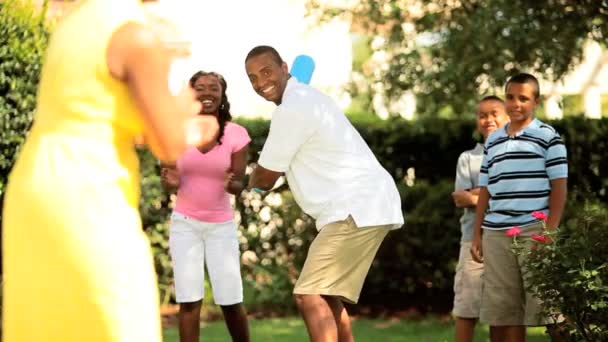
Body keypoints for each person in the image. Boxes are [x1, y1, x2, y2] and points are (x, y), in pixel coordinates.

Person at [1, 0, 219, 341]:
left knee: (49, 325)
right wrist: (192, 122)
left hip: (35, 185)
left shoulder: (75, 22)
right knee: (119, 319)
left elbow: (101, 112)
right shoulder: (136, 38)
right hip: (87, 191)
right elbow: (169, 142)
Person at [244, 45, 404, 342]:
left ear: (285, 67)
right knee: (327, 295)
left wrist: (243, 180)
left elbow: (264, 178)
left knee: (309, 293)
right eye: (252, 78)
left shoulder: (292, 109)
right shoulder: (303, 100)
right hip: (365, 204)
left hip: (355, 207)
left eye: (266, 71)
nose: (260, 82)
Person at [470, 73, 568, 342]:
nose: (516, 104)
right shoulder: (493, 141)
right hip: (496, 234)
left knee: (549, 308)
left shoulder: (548, 137)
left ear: (535, 101)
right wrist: (477, 233)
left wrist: (549, 231)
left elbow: (559, 187)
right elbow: (486, 191)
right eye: (511, 97)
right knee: (505, 311)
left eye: (523, 98)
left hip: (533, 230)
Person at [161, 71, 251, 342]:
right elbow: (167, 181)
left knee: (231, 301)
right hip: (185, 225)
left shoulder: (236, 134)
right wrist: (171, 181)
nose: (207, 93)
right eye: (200, 88)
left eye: (214, 88)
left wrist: (232, 184)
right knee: (189, 302)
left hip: (220, 226)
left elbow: (239, 185)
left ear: (222, 94)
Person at [451, 96, 509, 342]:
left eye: (494, 113)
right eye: (482, 115)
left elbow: (511, 197)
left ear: (507, 117)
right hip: (472, 242)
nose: (488, 119)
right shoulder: (468, 158)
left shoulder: (516, 154)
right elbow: (460, 199)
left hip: (507, 241)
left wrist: (477, 194)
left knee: (501, 311)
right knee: (467, 308)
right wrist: (491, 194)